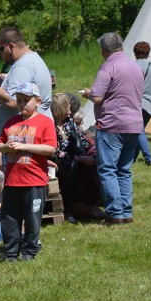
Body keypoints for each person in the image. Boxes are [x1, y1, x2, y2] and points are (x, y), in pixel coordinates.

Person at [81, 32, 144, 226]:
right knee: (124, 170)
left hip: (112, 124)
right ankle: (126, 212)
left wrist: (87, 94)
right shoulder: (135, 66)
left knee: (108, 169)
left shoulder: (108, 66)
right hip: (134, 124)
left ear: (103, 50)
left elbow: (98, 97)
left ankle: (115, 214)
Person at [0, 83, 56, 261]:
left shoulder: (45, 122)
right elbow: (0, 144)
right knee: (9, 219)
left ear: (38, 101)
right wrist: (7, 147)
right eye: (19, 100)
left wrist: (25, 146)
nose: (22, 104)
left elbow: (50, 148)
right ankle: (10, 252)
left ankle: (30, 250)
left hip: (34, 180)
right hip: (12, 179)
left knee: (32, 218)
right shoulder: (11, 123)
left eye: (26, 100)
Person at [0, 27, 53, 136]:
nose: (0, 54)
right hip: (25, 136)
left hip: (24, 138)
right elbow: (20, 91)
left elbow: (13, 101)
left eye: (0, 49)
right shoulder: (30, 59)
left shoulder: (22, 66)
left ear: (10, 46)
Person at [51, 94, 103, 223]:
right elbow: (55, 151)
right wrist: (79, 159)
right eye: (67, 105)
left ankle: (91, 204)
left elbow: (82, 141)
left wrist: (92, 154)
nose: (70, 107)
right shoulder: (50, 125)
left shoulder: (69, 123)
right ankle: (69, 208)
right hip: (57, 161)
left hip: (73, 157)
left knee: (93, 164)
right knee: (71, 166)